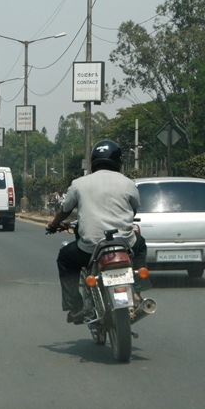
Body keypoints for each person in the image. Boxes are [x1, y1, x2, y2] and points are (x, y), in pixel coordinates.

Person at [45, 139, 149, 324]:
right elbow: (133, 210)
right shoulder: (128, 183)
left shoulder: (79, 183)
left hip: (91, 248)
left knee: (65, 258)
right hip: (124, 243)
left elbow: (66, 209)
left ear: (94, 161)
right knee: (140, 245)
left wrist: (54, 225)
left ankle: (75, 306)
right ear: (118, 161)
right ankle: (138, 292)